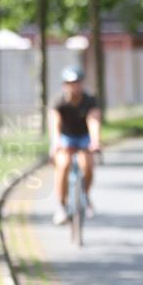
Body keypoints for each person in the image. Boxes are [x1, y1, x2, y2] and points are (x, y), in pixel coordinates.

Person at [49, 65, 102, 224]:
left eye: (77, 82)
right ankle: (61, 205)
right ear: (64, 84)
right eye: (70, 83)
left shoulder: (89, 100)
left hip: (84, 137)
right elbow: (55, 122)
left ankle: (85, 195)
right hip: (66, 137)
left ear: (81, 83)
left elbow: (93, 120)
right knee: (63, 165)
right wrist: (56, 142)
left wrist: (95, 141)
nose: (74, 86)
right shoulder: (59, 100)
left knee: (87, 165)